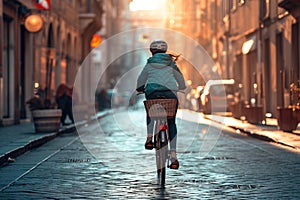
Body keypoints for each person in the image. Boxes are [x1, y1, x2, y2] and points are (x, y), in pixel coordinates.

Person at [136, 39, 186, 169]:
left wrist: (140, 88)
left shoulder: (149, 63)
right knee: (171, 122)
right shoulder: (171, 62)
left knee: (151, 110)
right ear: (165, 51)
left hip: (152, 92)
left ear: (152, 52)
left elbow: (141, 79)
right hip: (170, 93)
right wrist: (181, 86)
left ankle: (149, 138)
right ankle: (173, 154)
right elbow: (180, 78)